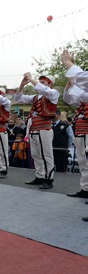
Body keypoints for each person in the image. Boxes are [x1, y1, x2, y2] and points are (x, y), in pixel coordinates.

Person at [15, 73, 59, 189]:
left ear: (50, 83)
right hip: (34, 129)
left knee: (46, 155)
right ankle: (40, 176)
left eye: (43, 82)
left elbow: (46, 91)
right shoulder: (35, 97)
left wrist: (31, 79)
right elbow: (18, 98)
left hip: (44, 128)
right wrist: (22, 85)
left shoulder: (53, 94)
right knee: (35, 155)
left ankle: (49, 179)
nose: (40, 84)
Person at [61, 49, 88, 204]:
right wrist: (70, 82)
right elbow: (69, 98)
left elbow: (83, 85)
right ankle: (85, 189)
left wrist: (69, 66)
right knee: (83, 162)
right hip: (81, 131)